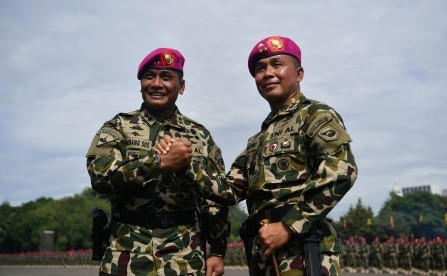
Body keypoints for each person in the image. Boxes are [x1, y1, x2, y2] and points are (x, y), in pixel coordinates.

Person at [157, 36, 358, 275]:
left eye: (277, 64)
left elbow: (341, 171)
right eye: (260, 69)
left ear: (299, 73)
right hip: (263, 252)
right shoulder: (257, 142)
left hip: (304, 249)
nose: (268, 73)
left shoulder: (315, 115)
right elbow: (228, 190)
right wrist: (185, 164)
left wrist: (288, 226)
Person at [86, 47, 230, 276]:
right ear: (140, 84)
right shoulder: (118, 127)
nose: (156, 83)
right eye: (149, 76)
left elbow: (216, 200)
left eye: (166, 77)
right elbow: (100, 176)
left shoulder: (200, 136)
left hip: (184, 253)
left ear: (181, 87)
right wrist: (157, 162)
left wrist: (217, 251)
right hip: (125, 250)